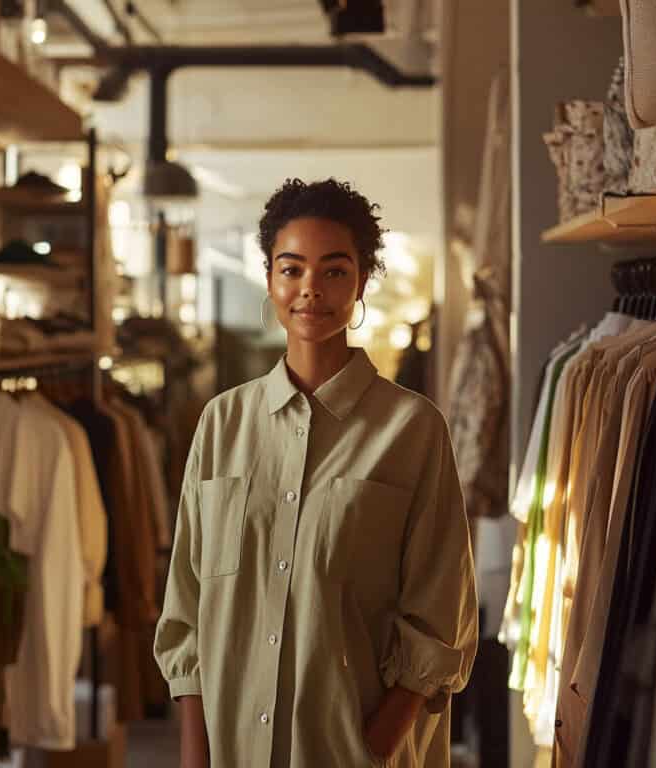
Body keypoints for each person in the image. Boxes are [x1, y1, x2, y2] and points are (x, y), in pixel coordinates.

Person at [154, 178, 478, 768]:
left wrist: (376, 742)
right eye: (292, 268)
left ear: (360, 282)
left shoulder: (412, 429)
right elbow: (187, 605)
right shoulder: (221, 423)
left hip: (350, 749)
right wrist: (195, 756)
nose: (311, 290)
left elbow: (441, 608)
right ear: (270, 277)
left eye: (333, 270)